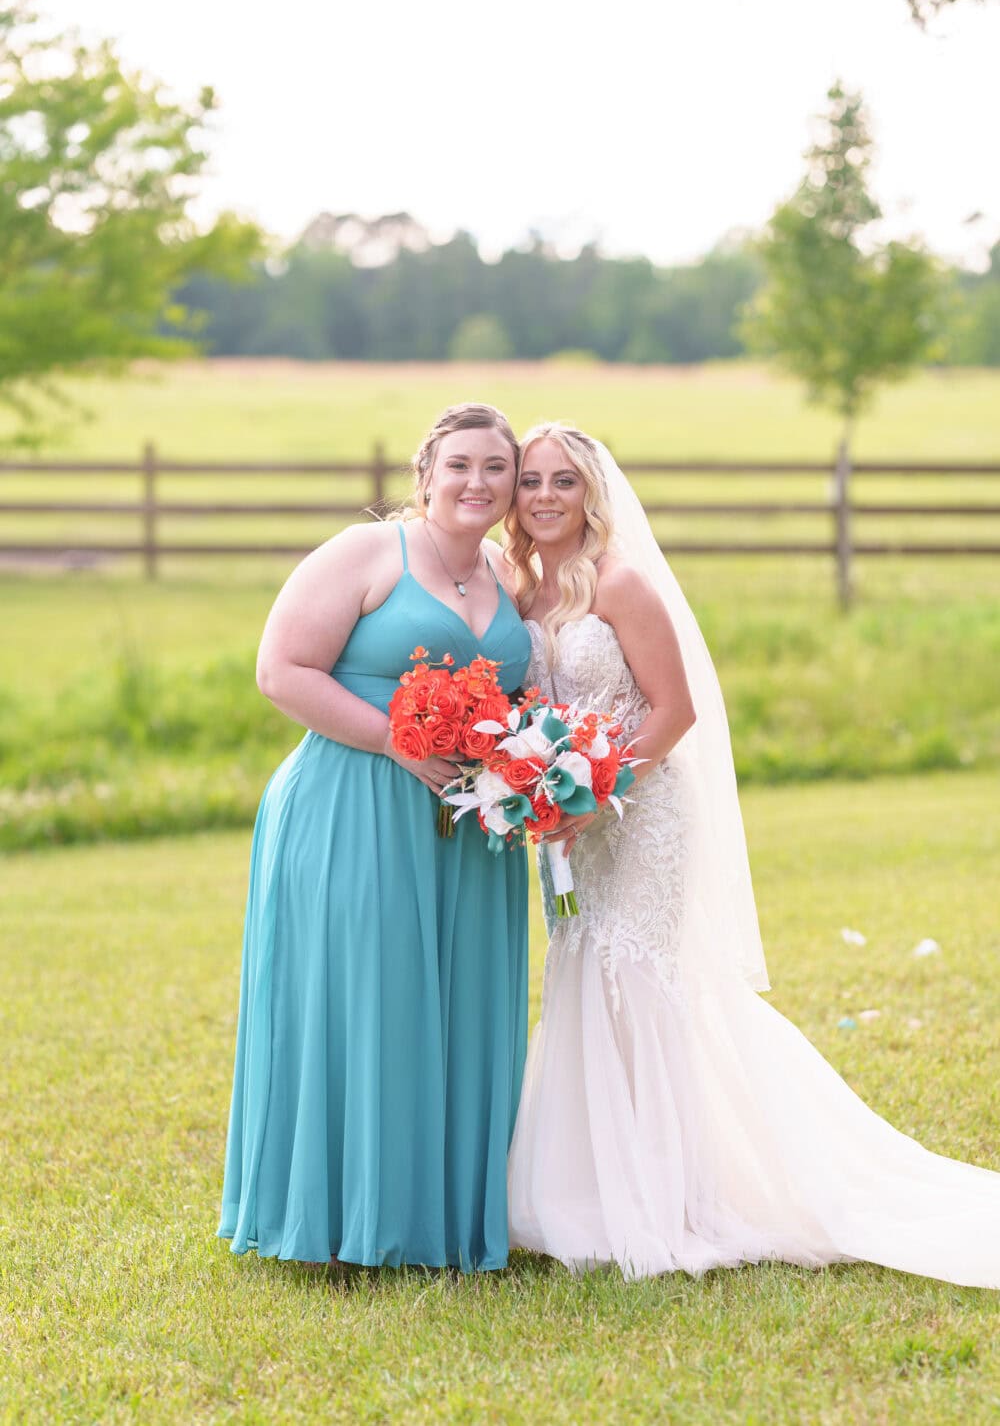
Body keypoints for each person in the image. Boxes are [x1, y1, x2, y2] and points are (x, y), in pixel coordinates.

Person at [504, 422, 1000, 1286]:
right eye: (532, 482)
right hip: (567, 828)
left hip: (640, 812)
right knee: (581, 975)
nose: (545, 497)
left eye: (564, 482)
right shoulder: (522, 596)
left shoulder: (621, 584)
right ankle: (590, 1190)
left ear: (592, 493)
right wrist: (541, 793)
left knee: (638, 979)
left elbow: (673, 709)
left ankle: (671, 1199)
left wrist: (596, 791)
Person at [218, 402, 531, 1271]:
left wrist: (535, 764)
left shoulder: (508, 573)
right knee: (365, 1002)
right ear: (425, 473)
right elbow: (280, 670)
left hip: (472, 826)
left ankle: (446, 1223)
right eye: (460, 465)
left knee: (459, 1006)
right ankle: (339, 1228)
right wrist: (397, 740)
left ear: (511, 486)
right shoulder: (366, 553)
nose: (477, 482)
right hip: (352, 804)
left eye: (496, 469)